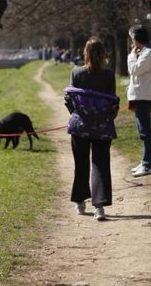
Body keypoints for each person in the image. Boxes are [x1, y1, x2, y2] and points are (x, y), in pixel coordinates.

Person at [64, 37, 119, 221]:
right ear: (104, 54)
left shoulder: (76, 72)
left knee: (81, 164)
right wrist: (106, 117)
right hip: (102, 127)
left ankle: (80, 201)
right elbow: (113, 101)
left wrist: (77, 114)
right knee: (101, 165)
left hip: (80, 127)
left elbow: (69, 99)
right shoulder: (108, 75)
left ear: (85, 53)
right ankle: (99, 207)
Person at [127, 25, 151, 178]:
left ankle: (147, 164)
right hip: (142, 95)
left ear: (136, 39)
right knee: (143, 131)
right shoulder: (145, 53)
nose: (131, 43)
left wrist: (131, 56)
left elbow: (134, 70)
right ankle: (145, 161)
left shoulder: (147, 55)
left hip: (143, 96)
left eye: (132, 39)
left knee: (145, 131)